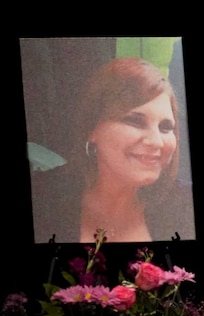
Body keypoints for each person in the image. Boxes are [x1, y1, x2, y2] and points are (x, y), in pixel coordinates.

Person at [29, 56, 195, 244]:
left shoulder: (186, 205)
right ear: (92, 129)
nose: (157, 142)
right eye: (135, 121)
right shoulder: (41, 197)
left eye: (165, 127)